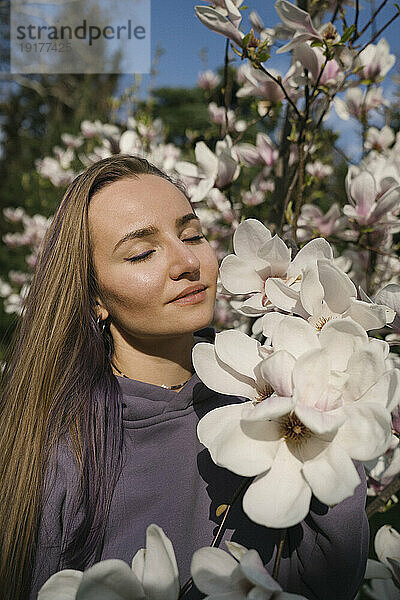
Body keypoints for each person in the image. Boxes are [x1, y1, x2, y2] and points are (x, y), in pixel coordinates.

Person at [0, 155, 369, 600]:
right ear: (94, 297)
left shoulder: (271, 386)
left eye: (192, 235)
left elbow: (328, 581)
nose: (185, 261)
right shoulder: (59, 452)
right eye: (142, 252)